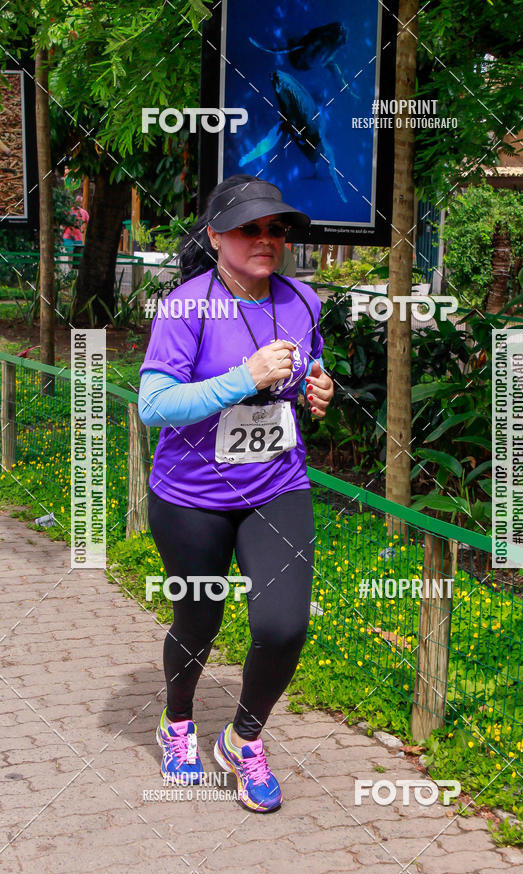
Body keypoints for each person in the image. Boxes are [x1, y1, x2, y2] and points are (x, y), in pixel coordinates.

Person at [138, 174, 334, 812]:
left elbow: (307, 364)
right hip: (191, 495)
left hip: (276, 482)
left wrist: (315, 386)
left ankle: (242, 739)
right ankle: (177, 724)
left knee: (283, 625)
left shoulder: (302, 299)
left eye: (275, 228)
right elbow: (155, 404)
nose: (266, 239)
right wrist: (241, 377)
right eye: (249, 227)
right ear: (217, 235)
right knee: (200, 618)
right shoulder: (186, 306)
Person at [62, 193, 89, 269]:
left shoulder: (84, 213)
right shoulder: (69, 211)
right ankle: (71, 271)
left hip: (78, 238)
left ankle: (75, 274)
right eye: (77, 201)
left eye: (80, 201)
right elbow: (63, 222)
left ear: (82, 202)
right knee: (70, 254)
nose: (78, 203)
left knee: (77, 257)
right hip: (68, 237)